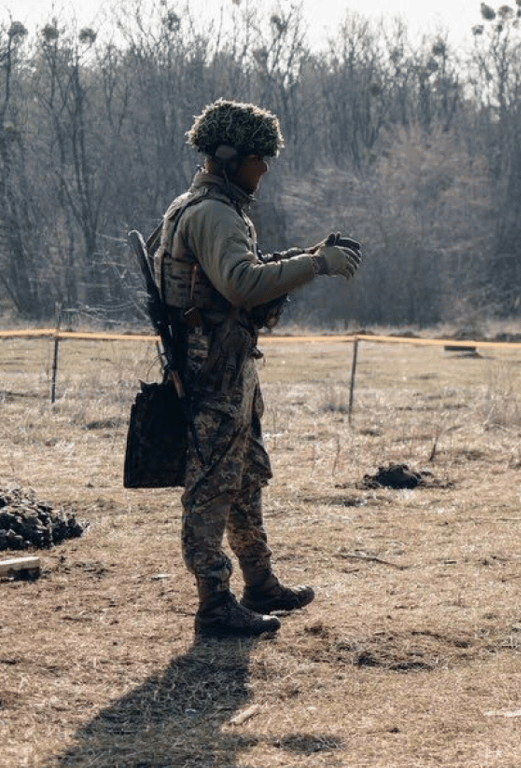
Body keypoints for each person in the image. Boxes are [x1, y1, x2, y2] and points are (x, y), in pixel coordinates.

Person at [156, 99, 362, 638]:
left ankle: (260, 583)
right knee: (211, 488)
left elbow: (242, 273)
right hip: (213, 371)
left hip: (226, 365)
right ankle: (214, 606)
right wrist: (315, 264)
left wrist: (306, 255)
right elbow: (242, 284)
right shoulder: (214, 214)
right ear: (230, 158)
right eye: (258, 159)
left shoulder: (208, 207)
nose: (265, 169)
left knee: (245, 478)